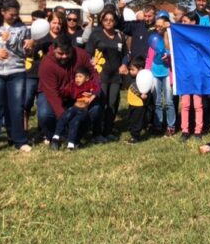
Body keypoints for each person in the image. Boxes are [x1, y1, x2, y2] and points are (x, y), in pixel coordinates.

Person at [0, 0, 34, 155]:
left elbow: (24, 52)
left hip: (16, 72)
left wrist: (12, 41)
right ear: (2, 12)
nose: (14, 17)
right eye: (11, 14)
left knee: (17, 107)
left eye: (16, 14)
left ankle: (20, 140)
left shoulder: (23, 28)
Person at [38, 35, 104, 144]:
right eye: (60, 53)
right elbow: (52, 95)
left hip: (76, 92)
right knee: (44, 113)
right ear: (53, 49)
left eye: (67, 53)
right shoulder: (46, 64)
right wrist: (65, 117)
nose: (64, 56)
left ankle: (76, 136)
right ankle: (54, 135)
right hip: (51, 93)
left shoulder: (81, 55)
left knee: (96, 108)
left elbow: (93, 74)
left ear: (72, 48)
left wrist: (94, 92)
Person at [86, 8, 128, 139]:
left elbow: (125, 54)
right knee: (101, 103)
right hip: (101, 74)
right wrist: (90, 60)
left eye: (111, 20)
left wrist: (124, 63)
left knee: (112, 103)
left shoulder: (120, 35)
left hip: (115, 75)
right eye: (106, 20)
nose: (109, 22)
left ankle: (108, 131)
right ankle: (97, 132)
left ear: (115, 22)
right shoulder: (96, 35)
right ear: (102, 21)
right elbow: (88, 53)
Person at [25, 11, 66, 138]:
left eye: (59, 23)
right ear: (48, 23)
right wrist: (31, 45)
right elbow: (28, 53)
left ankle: (43, 130)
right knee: (27, 102)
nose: (56, 26)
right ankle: (24, 130)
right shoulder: (40, 36)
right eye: (54, 22)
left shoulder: (63, 39)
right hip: (33, 74)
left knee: (45, 106)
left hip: (51, 79)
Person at [49, 65, 101, 150]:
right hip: (74, 107)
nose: (77, 79)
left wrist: (92, 97)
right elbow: (65, 91)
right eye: (76, 76)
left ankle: (71, 144)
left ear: (87, 78)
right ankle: (56, 136)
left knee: (75, 122)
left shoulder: (90, 84)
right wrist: (61, 92)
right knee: (65, 116)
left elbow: (98, 89)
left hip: (83, 110)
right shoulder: (73, 85)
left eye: (80, 76)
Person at [147, 12, 176, 136]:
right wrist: (147, 72)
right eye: (157, 25)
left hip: (167, 73)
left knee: (169, 102)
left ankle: (171, 126)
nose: (158, 28)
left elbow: (174, 56)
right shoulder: (153, 37)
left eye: (161, 25)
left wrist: (168, 57)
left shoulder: (171, 38)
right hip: (155, 73)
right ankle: (158, 125)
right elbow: (149, 58)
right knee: (157, 102)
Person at [179, 12, 204, 141]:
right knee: (185, 104)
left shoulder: (200, 36)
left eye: (185, 21)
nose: (183, 23)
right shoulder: (180, 35)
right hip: (184, 73)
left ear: (194, 22)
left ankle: (198, 130)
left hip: (198, 74)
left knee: (198, 105)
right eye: (182, 21)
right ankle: (185, 130)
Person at [126, 56, 149, 144]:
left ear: (140, 69)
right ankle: (133, 134)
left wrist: (142, 95)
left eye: (133, 69)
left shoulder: (143, 79)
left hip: (139, 105)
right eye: (130, 69)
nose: (130, 71)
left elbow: (142, 90)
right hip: (132, 103)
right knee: (131, 119)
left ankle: (135, 136)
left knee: (137, 121)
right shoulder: (131, 78)